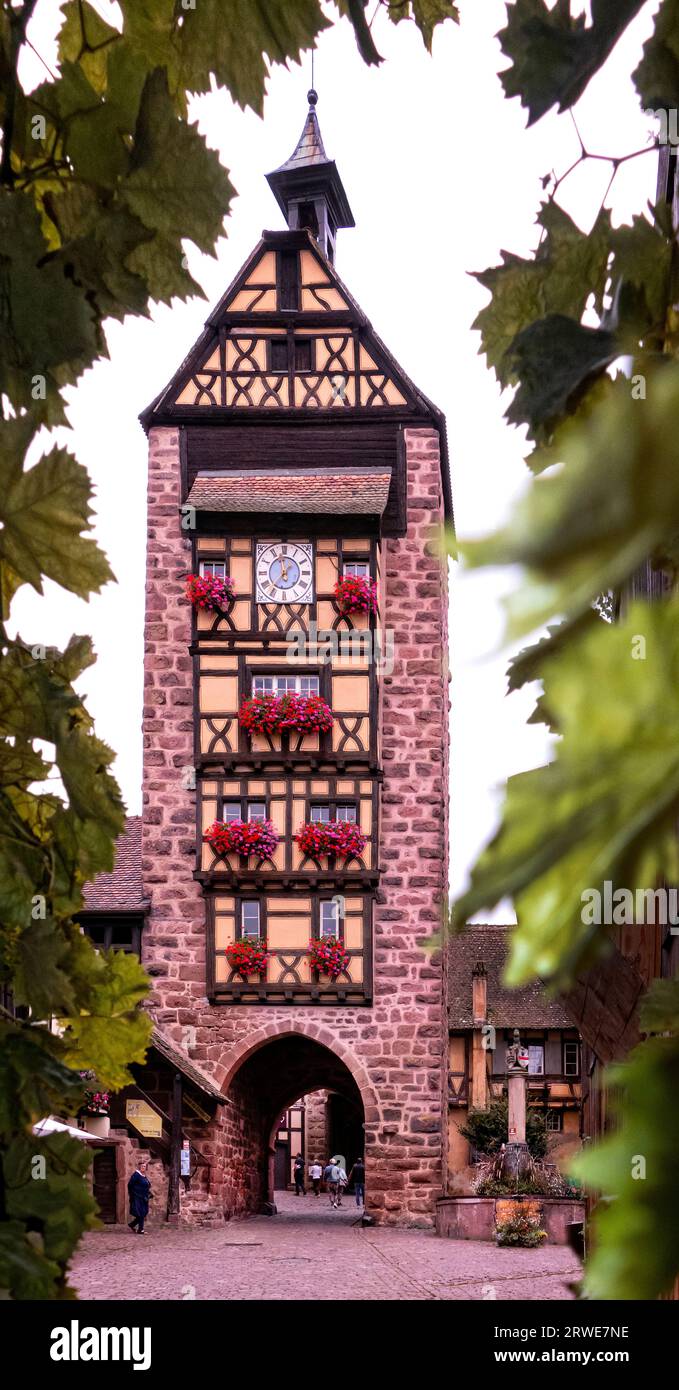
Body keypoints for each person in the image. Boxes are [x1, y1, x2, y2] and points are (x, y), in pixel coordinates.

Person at [127, 1161, 151, 1235]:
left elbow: (147, 1185)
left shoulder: (143, 1176)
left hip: (144, 1197)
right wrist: (134, 1194)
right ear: (139, 1167)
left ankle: (132, 1224)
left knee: (144, 1212)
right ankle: (141, 1229)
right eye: (142, 1166)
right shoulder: (136, 1175)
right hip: (138, 1197)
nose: (144, 1168)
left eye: (145, 1166)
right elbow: (130, 1185)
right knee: (141, 1213)